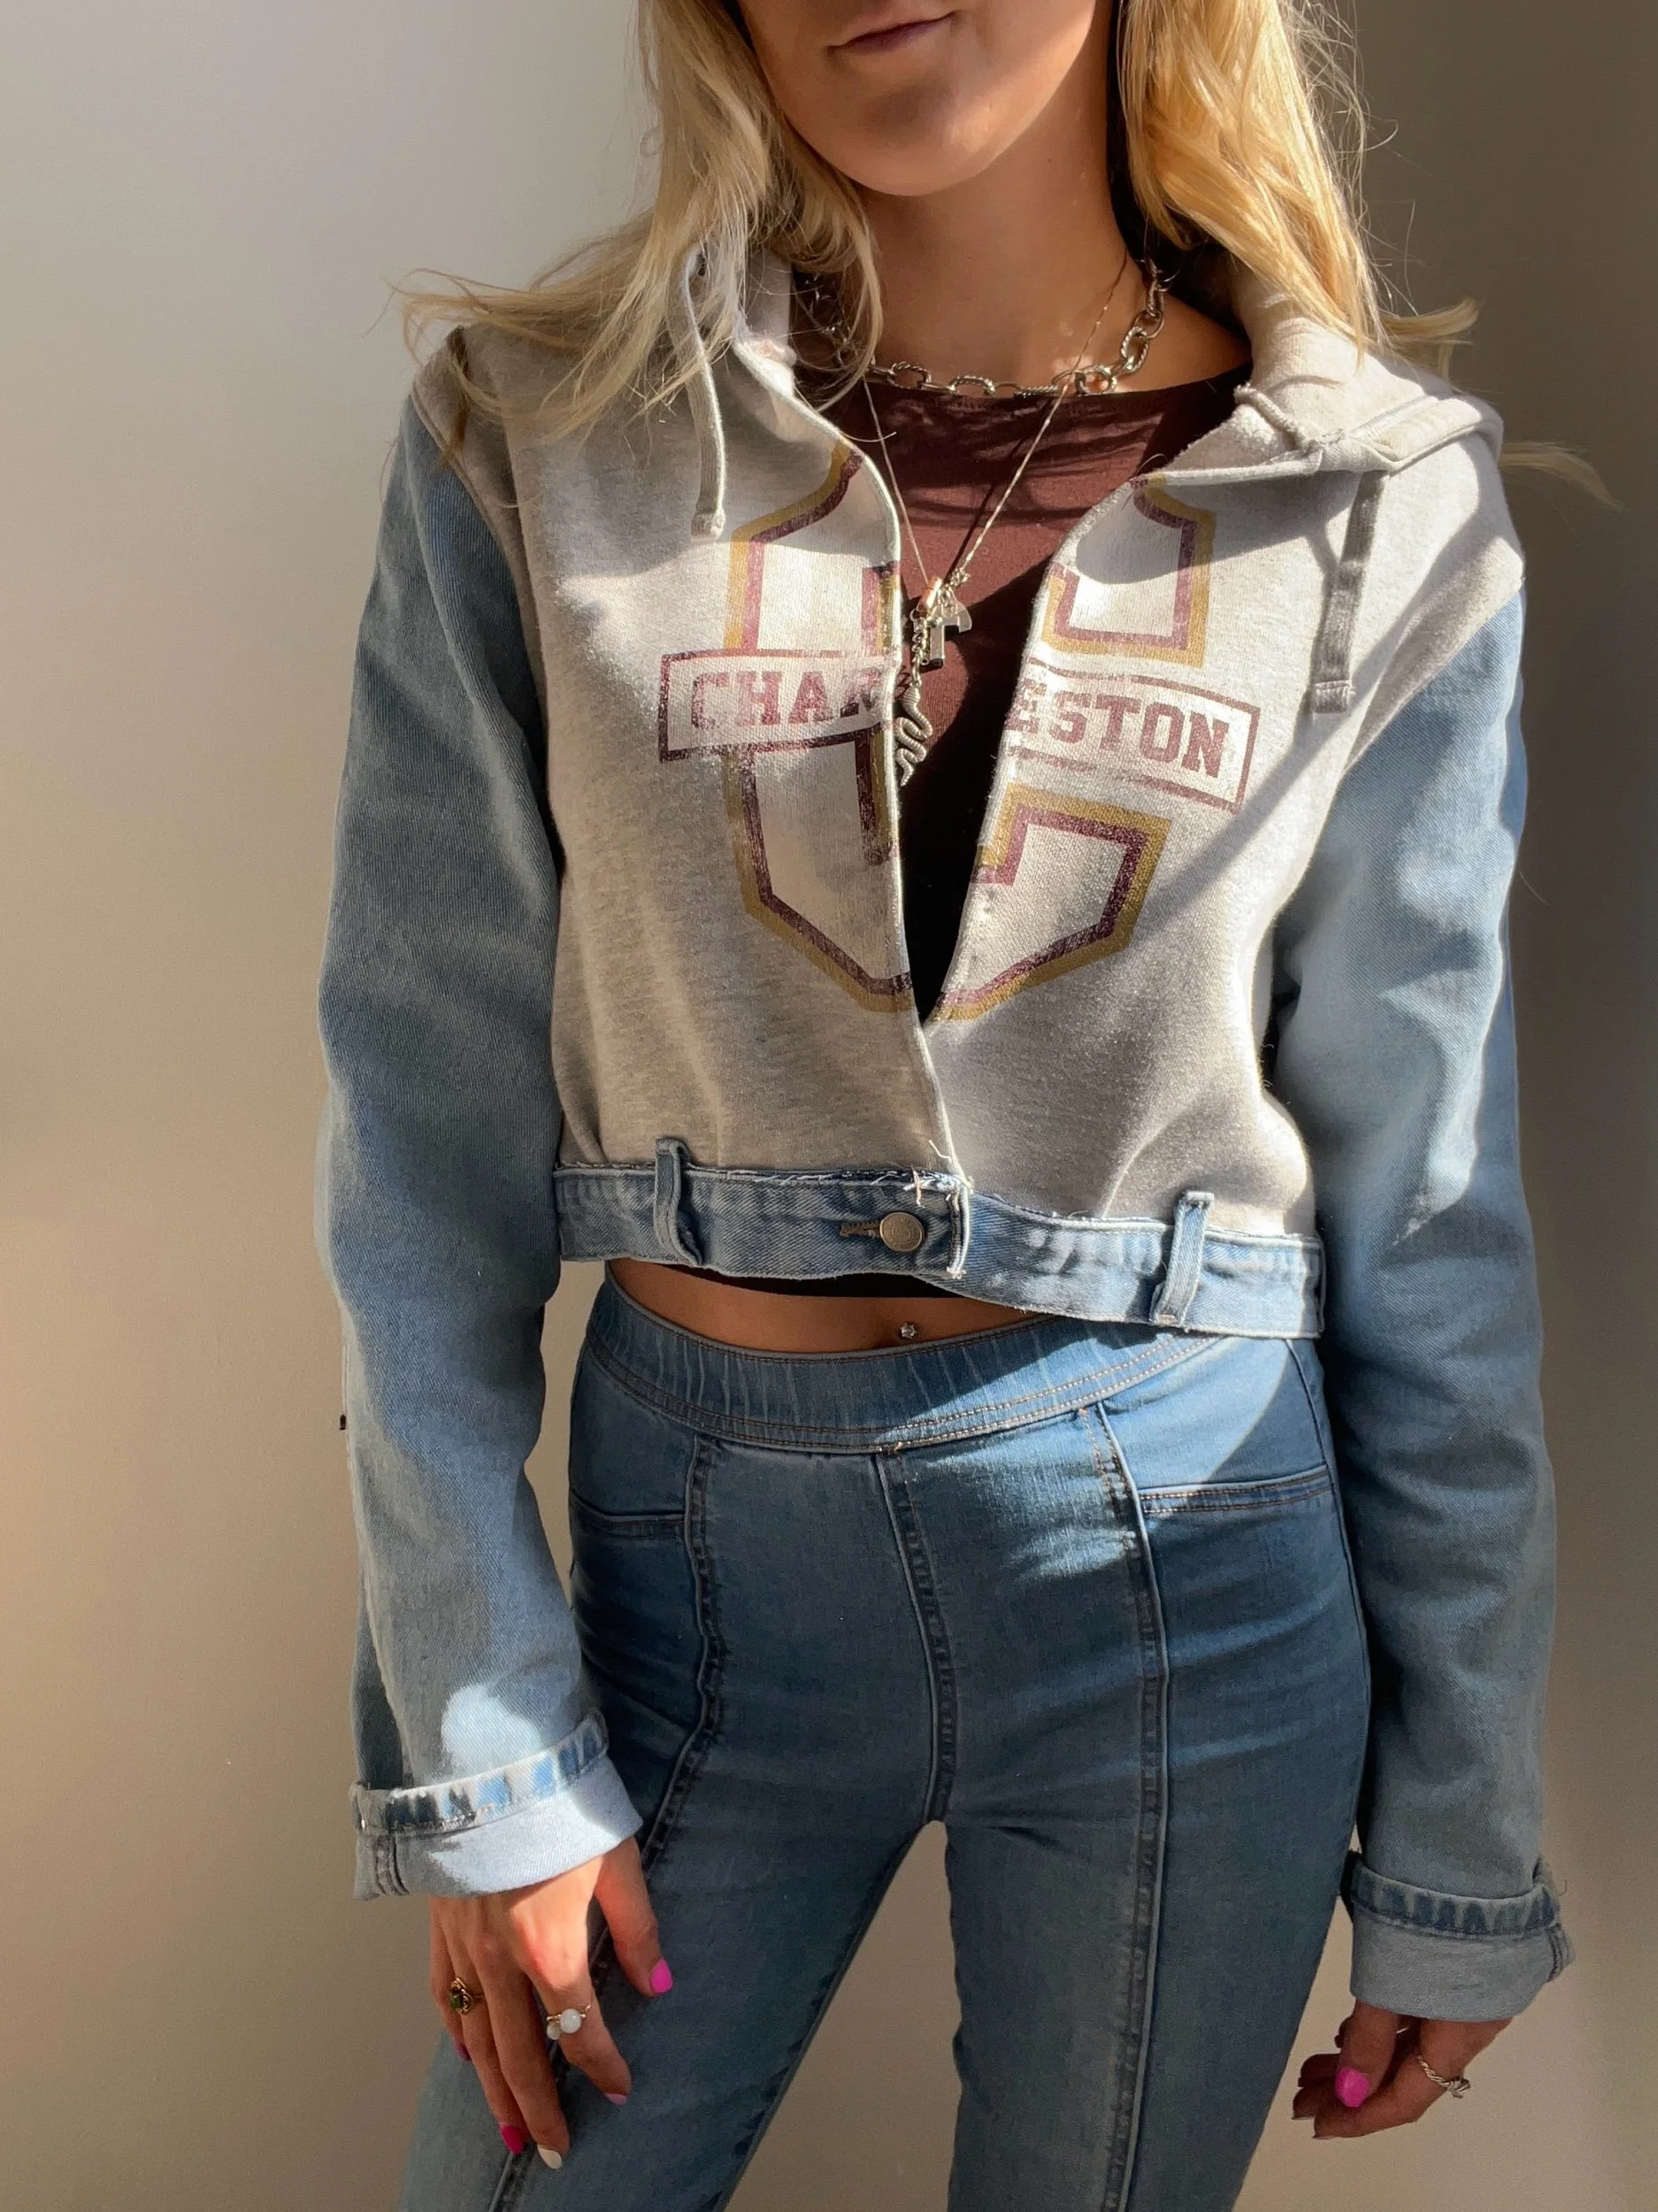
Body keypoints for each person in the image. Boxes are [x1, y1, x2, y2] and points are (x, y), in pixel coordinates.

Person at [313, 2, 1574, 2204]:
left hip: (1199, 1584)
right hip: (690, 1572)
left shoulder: (1378, 499)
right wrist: (480, 1739)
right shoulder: (539, 436)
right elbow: (415, 1147)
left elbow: (1428, 1211)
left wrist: (1457, 1835)